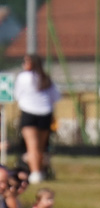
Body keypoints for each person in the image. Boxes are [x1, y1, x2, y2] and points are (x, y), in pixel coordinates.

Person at [14, 54, 61, 184]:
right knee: (41, 146)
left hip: (29, 112)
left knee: (32, 146)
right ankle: (39, 171)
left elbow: (17, 94)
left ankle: (35, 173)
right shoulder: (46, 78)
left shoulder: (23, 77)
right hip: (45, 113)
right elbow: (56, 97)